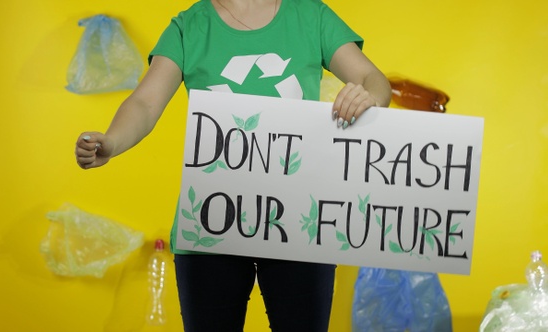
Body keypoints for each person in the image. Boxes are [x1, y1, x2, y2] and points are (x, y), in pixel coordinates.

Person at [75, 0, 391, 331]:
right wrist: (112, 141)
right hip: (211, 223)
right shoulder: (188, 26)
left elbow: (373, 79)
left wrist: (368, 98)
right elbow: (144, 102)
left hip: (298, 220)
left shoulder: (311, 15)